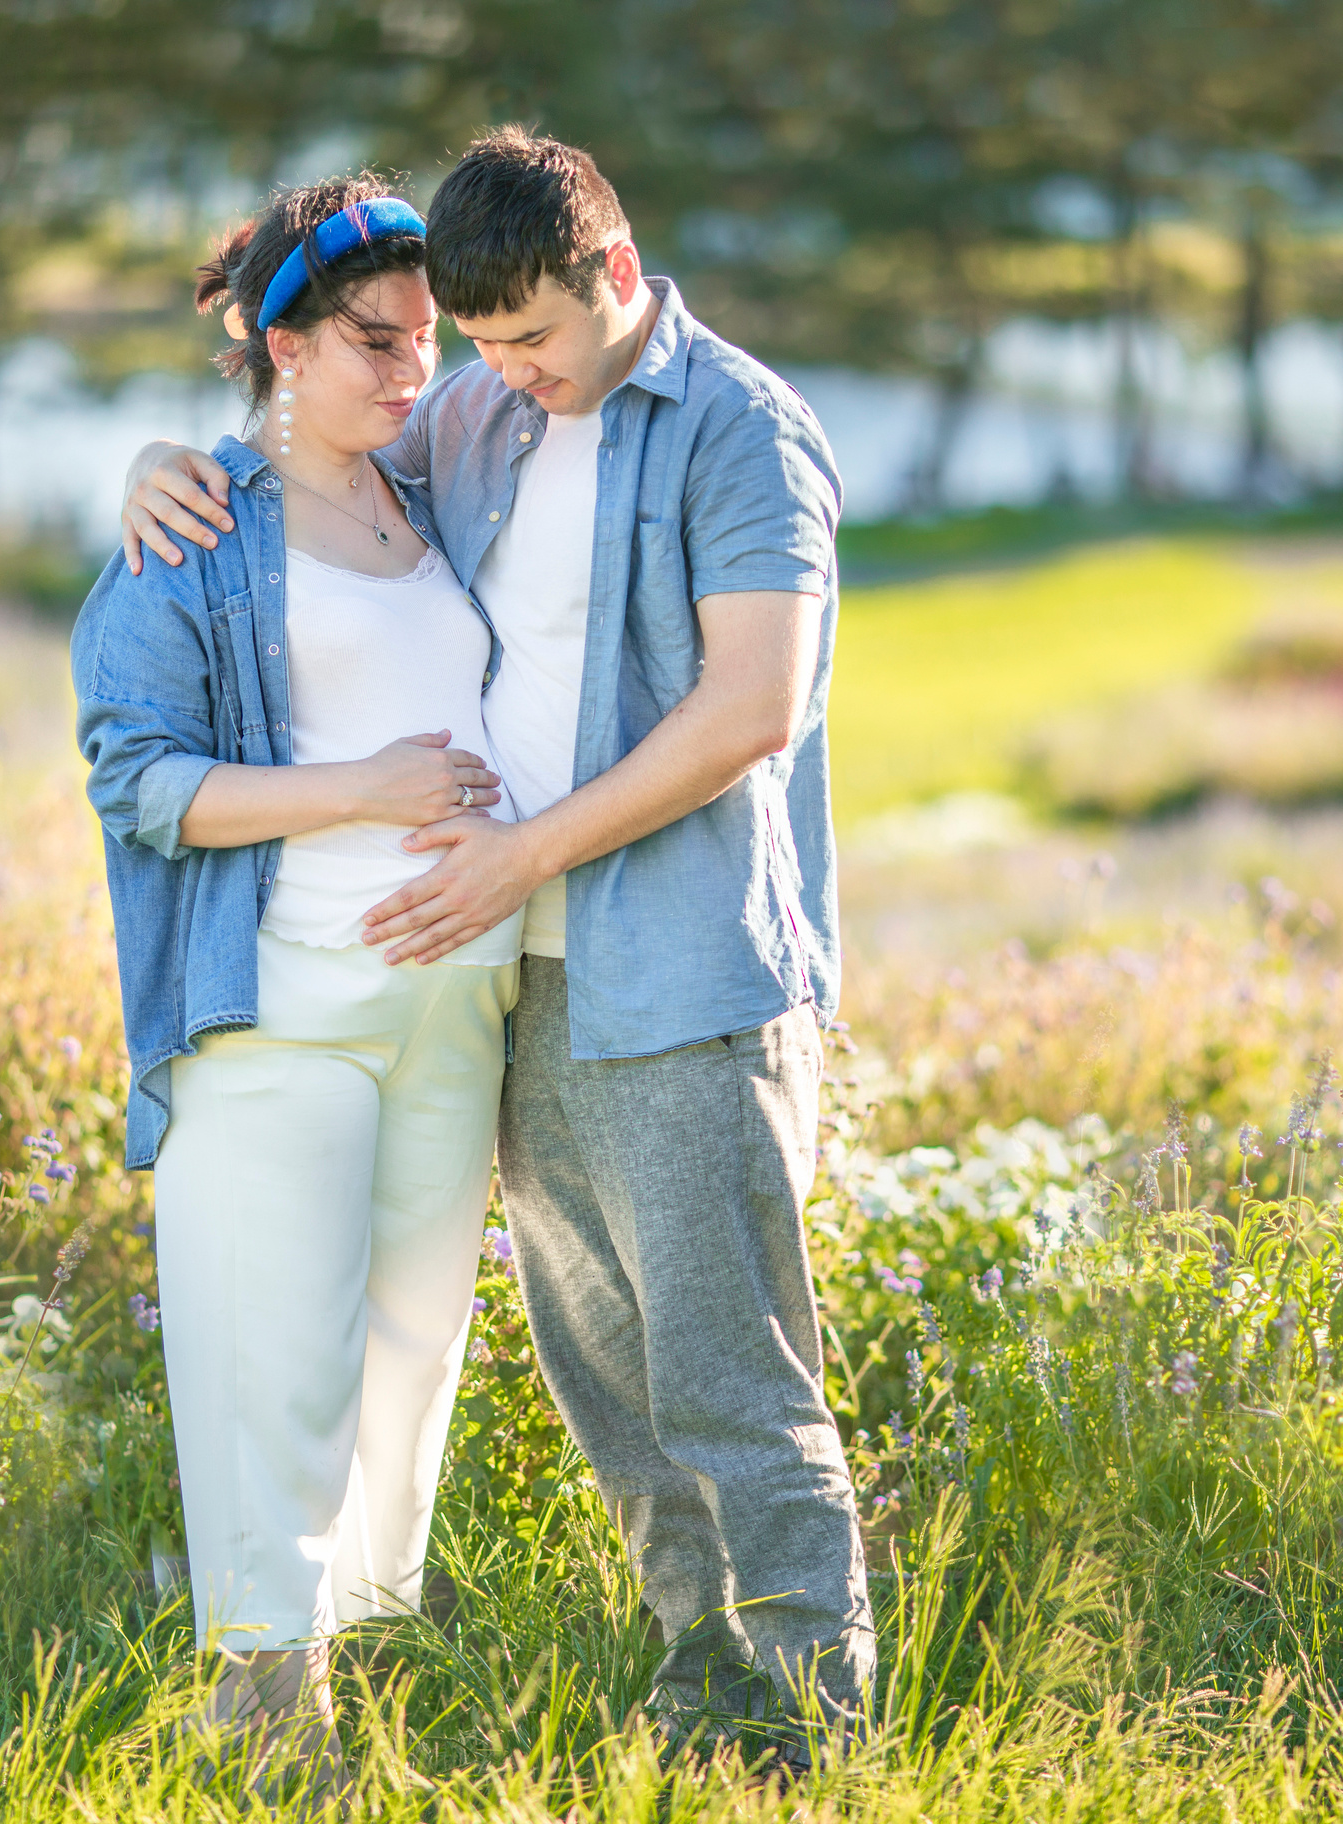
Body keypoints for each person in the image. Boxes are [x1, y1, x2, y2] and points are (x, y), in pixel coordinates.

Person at [117, 128, 872, 1762]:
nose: (498, 376)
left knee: (729, 1373)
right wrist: (159, 464)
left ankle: (817, 1725)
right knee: (608, 1383)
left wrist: (521, 850)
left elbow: (755, 706)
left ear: (613, 271)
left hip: (678, 971)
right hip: (512, 981)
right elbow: (295, 473)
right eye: (476, 347)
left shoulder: (738, 429)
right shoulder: (484, 415)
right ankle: (700, 1688)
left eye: (528, 338)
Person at [71, 172, 520, 1787]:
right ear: (280, 343)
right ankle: (266, 1729)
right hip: (280, 1009)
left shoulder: (436, 493)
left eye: (426, 342)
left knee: (405, 1366)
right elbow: (140, 780)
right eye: (375, 342)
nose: (414, 374)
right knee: (275, 1365)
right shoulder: (195, 527)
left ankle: (347, 1686)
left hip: (453, 1007)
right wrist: (365, 792)